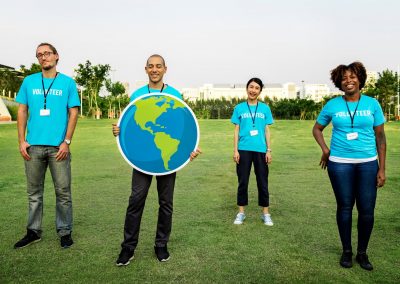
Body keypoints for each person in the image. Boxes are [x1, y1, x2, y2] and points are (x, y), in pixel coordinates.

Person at [113, 54, 201, 266]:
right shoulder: (137, 94)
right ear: (145, 69)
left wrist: (189, 149)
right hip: (142, 158)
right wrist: (119, 129)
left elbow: (182, 125)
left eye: (158, 66)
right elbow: (130, 125)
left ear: (165, 69)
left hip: (166, 157)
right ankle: (128, 248)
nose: (154, 70)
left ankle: (161, 245)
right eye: (150, 66)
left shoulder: (173, 95)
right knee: (136, 201)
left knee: (166, 204)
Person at [312, 62, 386, 271]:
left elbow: (380, 137)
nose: (348, 81)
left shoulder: (372, 104)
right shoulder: (333, 105)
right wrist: (326, 150)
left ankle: (362, 253)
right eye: (344, 78)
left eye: (352, 76)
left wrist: (381, 168)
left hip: (368, 164)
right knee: (344, 207)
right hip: (340, 164)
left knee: (367, 209)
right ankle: (346, 251)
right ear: (339, 82)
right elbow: (317, 129)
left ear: (360, 79)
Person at [14, 42, 80, 249]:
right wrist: (22, 141)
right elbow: (22, 111)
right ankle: (33, 231)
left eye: (47, 53)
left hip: (58, 148)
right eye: (39, 55)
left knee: (63, 192)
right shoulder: (29, 81)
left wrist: (67, 141)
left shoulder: (68, 83)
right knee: (34, 193)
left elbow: (73, 113)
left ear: (57, 56)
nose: (44, 57)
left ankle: (65, 231)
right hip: (33, 147)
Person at [231, 78, 274, 226]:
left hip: (261, 150)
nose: (253, 90)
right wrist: (235, 150)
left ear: (260, 91)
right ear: (247, 88)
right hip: (243, 150)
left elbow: (267, 130)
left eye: (256, 88)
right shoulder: (239, 108)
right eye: (251, 87)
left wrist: (268, 150)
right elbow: (236, 130)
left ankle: (266, 213)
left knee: (263, 181)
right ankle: (241, 212)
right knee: (243, 181)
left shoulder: (265, 108)